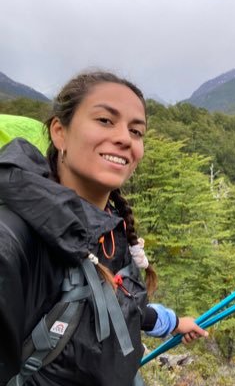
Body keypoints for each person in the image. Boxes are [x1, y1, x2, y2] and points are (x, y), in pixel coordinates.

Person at [0, 71, 207, 385]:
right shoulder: (13, 238)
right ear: (60, 133)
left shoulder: (111, 229)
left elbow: (122, 304)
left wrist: (174, 322)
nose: (125, 138)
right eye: (105, 120)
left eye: (136, 131)